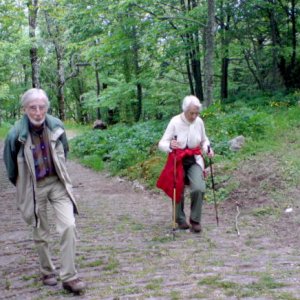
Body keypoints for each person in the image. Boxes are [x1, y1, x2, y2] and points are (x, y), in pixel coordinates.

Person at [3, 88, 86, 293]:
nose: (38, 112)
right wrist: (23, 187)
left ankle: (69, 277)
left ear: (47, 108)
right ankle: (47, 270)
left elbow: (63, 152)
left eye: (42, 107)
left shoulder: (56, 125)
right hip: (34, 185)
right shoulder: (15, 134)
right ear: (25, 109)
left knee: (68, 226)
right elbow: (11, 168)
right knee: (41, 231)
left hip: (57, 183)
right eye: (33, 108)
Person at [157, 95, 214, 233]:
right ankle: (180, 219)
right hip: (178, 159)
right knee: (178, 188)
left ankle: (195, 220)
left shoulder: (199, 122)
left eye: (196, 113)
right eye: (191, 113)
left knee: (199, 188)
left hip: (194, 159)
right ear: (185, 110)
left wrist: (208, 148)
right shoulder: (175, 121)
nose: (194, 116)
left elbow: (204, 140)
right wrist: (170, 144)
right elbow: (161, 143)